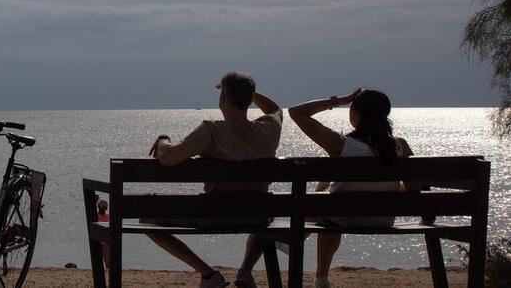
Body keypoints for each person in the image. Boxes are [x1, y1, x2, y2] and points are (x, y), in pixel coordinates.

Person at [146, 71, 282, 288]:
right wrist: (249, 93)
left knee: (146, 220)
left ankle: (208, 274)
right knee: (260, 215)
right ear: (249, 99)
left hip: (216, 216)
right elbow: (275, 109)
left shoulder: (211, 131)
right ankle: (245, 271)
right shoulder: (269, 129)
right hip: (259, 215)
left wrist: (163, 139)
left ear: (223, 99)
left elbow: (168, 157)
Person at [288, 89, 413, 288]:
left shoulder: (340, 144)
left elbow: (296, 112)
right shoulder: (400, 146)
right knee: (329, 198)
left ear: (355, 112)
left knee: (327, 201)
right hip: (383, 218)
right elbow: (414, 190)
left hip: (342, 217)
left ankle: (319, 275)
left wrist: (338, 100)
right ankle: (308, 262)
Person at [96, 199, 110, 269]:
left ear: (98, 206)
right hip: (106, 242)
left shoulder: (95, 216)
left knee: (98, 262)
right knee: (108, 262)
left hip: (97, 242)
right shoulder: (109, 217)